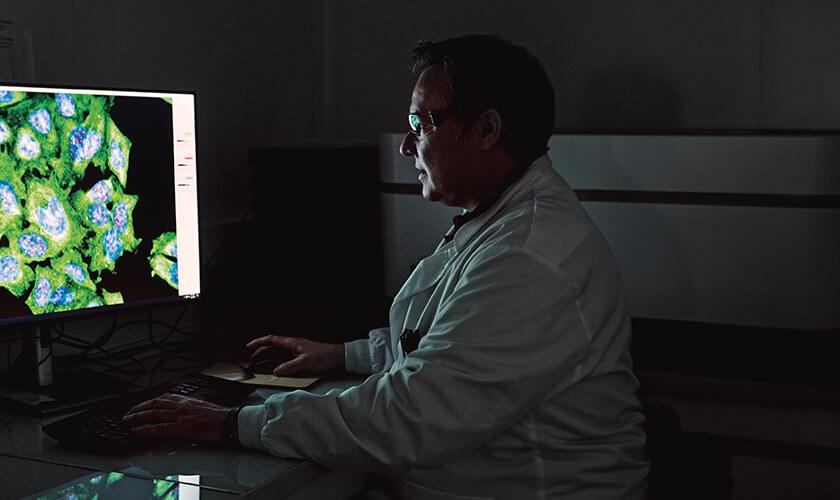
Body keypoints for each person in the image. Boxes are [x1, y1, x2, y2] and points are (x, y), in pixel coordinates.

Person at [124, 34, 648, 499]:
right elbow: (448, 339)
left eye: (422, 123)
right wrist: (340, 356)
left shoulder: (528, 256)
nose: (404, 144)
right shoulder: (500, 218)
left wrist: (232, 425)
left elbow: (409, 418)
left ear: (486, 129)